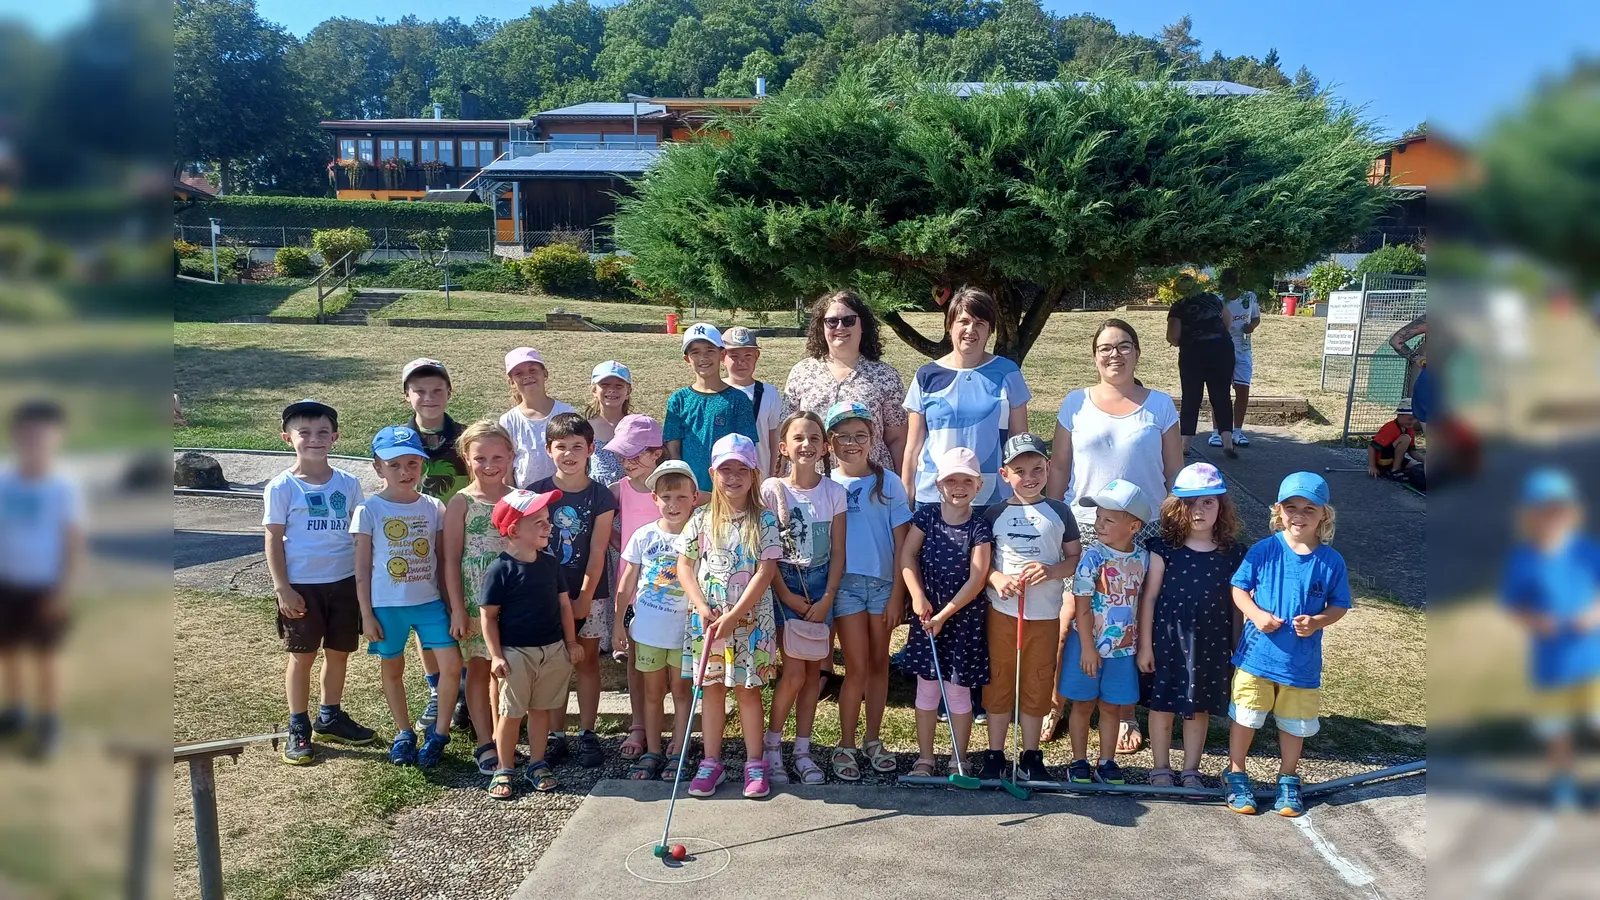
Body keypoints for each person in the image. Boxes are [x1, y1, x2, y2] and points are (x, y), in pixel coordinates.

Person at [1046, 319, 1183, 753]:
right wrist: (1054, 521)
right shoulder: (1075, 403)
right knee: (1068, 621)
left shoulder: (1160, 406)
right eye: (1105, 348)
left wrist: (1172, 525)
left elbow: (1175, 473)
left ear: (1138, 352)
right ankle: (1057, 703)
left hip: (1142, 532)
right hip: (1085, 527)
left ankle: (1124, 711)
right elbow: (1060, 469)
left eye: (1124, 346)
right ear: (1094, 356)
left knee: (1125, 625)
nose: (1114, 355)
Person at [1225, 472, 1351, 817]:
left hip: (1301, 663)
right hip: (1256, 657)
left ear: (1324, 514)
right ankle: (1236, 773)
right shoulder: (1263, 550)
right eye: (1291, 507)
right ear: (1278, 510)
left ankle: (1288, 778)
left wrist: (1318, 621)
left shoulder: (1331, 561)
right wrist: (1255, 613)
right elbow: (1239, 589)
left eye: (1309, 508)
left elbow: (1339, 604)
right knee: (1247, 716)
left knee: (1294, 723)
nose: (1299, 515)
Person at [262, 399, 374, 765]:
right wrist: (283, 587)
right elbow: (273, 539)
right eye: (304, 432)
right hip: (302, 587)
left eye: (323, 432)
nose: (314, 439)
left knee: (339, 652)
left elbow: (359, 535)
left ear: (335, 437)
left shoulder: (348, 483)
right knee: (302, 656)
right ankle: (299, 725)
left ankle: (330, 715)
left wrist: (363, 582)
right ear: (287, 438)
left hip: (343, 583)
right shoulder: (281, 487)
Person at [351, 426, 464, 768]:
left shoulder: (433, 507)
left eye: (413, 464)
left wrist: (451, 604)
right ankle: (404, 733)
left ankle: (439, 734)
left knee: (452, 666)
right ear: (378, 467)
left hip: (429, 602)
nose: (405, 472)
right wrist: (366, 614)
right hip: (387, 606)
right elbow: (361, 570)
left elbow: (444, 560)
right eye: (395, 464)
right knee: (393, 668)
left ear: (422, 466)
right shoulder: (368, 511)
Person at [678, 434, 782, 799]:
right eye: (726, 470)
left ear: (754, 474)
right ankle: (711, 761)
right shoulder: (701, 518)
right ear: (712, 473)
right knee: (713, 691)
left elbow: (765, 571)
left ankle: (755, 763)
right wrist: (703, 607)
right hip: (709, 624)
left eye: (742, 469)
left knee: (747, 690)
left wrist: (736, 615)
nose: (733, 477)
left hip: (749, 623)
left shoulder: (765, 520)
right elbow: (685, 566)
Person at [978, 433, 1081, 783]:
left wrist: (1051, 571)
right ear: (1005, 474)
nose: (1030, 477)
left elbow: (1073, 559)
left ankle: (1031, 754)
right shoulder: (994, 514)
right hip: (1003, 612)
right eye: (1020, 470)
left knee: (1037, 680)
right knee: (999, 677)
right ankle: (995, 753)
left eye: (1037, 468)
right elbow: (980, 564)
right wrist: (995, 579)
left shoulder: (1060, 512)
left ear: (1049, 468)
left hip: (1044, 614)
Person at [1135, 463, 1245, 790]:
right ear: (1176, 508)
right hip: (1166, 640)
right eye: (1191, 503)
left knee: (1198, 707)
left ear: (1221, 507)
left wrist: (1237, 648)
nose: (1199, 510)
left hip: (1210, 642)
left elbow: (1237, 607)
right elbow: (1149, 598)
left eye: (1208, 502)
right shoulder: (1162, 550)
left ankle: (1191, 770)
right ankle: (1160, 768)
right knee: (1162, 704)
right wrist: (1144, 646)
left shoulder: (1233, 554)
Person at [1500, 469, 1600, 810]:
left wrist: (1593, 613)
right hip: (1552, 661)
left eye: (1560, 508)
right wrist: (1537, 621)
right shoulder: (1524, 559)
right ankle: (1563, 782)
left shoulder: (1588, 551)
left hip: (1592, 656)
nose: (1553, 516)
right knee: (1558, 729)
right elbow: (1514, 604)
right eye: (1544, 509)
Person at [761, 412, 848, 786]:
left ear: (825, 447)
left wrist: (828, 597)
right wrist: (785, 595)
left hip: (821, 589)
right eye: (798, 438)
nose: (807, 445)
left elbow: (839, 552)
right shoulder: (771, 489)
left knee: (815, 675)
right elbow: (766, 551)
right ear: (783, 447)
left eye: (814, 438)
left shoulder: (834, 493)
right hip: (785, 587)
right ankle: (772, 746)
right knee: (794, 673)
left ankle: (803, 749)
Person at [826, 402, 911, 780]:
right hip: (844, 587)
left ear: (872, 438)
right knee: (857, 667)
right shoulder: (826, 484)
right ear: (830, 442)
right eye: (843, 437)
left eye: (860, 435)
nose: (852, 443)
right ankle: (845, 743)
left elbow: (902, 543)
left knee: (879, 665)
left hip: (882, 586)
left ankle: (872, 738)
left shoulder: (888, 482)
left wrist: (898, 595)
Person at [898, 447, 995, 779]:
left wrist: (945, 615)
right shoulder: (926, 516)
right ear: (939, 485)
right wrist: (917, 596)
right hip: (926, 616)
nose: (958, 486)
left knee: (958, 690)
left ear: (978, 485)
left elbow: (977, 578)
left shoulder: (979, 528)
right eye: (951, 480)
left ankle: (958, 758)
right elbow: (908, 557)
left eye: (966, 480)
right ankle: (925, 759)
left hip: (961, 620)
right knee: (926, 688)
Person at [529, 414, 618, 768]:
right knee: (553, 665)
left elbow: (597, 551)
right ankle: (555, 735)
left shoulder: (600, 496)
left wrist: (583, 596)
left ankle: (587, 732)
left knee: (588, 661)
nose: (569, 453)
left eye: (577, 447)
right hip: (545, 595)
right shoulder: (535, 493)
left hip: (590, 594)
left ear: (591, 450)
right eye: (561, 446)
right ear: (549, 449)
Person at [481, 489, 582, 798]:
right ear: (513, 530)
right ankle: (504, 767)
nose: (548, 526)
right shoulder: (500, 570)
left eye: (547, 520)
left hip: (552, 650)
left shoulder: (551, 565)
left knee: (541, 710)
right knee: (512, 713)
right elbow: (488, 617)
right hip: (515, 655)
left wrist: (571, 642)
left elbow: (564, 606)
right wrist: (496, 656)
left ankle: (537, 763)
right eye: (538, 522)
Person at [0, 400, 83, 758]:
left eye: (42, 435)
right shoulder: (4, 480)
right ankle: (15, 709)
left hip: (45, 584)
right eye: (27, 433)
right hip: (7, 583)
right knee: (8, 649)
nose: (34, 441)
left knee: (45, 655)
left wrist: (63, 589)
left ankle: (49, 719)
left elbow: (72, 539)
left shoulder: (61, 486)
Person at [1061, 479, 1155, 786]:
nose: (1099, 524)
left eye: (1109, 519)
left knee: (1112, 706)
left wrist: (1143, 647)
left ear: (1134, 526)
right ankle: (1078, 761)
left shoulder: (1144, 560)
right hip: (1086, 645)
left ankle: (1106, 761)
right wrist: (1088, 647)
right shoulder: (1092, 558)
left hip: (1123, 649)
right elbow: (1082, 605)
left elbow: (1142, 604)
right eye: (1098, 517)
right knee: (1083, 704)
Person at [902, 287, 1032, 510]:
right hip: (934, 496)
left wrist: (1024, 497)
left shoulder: (1008, 373)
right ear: (949, 325)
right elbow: (912, 448)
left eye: (980, 323)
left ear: (990, 330)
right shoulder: (926, 376)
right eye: (964, 321)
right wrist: (906, 500)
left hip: (992, 496)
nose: (971, 330)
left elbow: (1019, 442)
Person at [441, 420, 518, 775]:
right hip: (474, 597)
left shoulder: (519, 498)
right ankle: (485, 741)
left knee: (508, 668)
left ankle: (508, 736)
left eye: (497, 457)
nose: (489, 465)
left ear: (511, 456)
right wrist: (457, 607)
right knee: (478, 668)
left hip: (513, 596)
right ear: (466, 459)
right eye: (480, 458)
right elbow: (451, 558)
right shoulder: (461, 503)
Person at [614, 459, 698, 781]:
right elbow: (627, 582)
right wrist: (618, 623)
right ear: (655, 499)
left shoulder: (700, 534)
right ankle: (652, 750)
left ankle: (679, 749)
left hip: (684, 633)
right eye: (666, 497)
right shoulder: (643, 535)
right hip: (647, 631)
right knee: (651, 693)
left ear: (694, 498)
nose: (673, 504)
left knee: (680, 691)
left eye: (680, 497)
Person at [400, 358, 471, 736]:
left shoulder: (464, 436)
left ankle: (464, 688)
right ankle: (436, 688)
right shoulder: (396, 440)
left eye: (437, 390)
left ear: (449, 392)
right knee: (425, 618)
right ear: (407, 395)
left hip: (461, 539)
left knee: (463, 610)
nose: (429, 398)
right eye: (420, 391)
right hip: (414, 544)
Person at [782, 290, 908, 473]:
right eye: (832, 321)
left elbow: (897, 439)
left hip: (870, 486)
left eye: (848, 320)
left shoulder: (885, 376)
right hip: (813, 486)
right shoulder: (801, 372)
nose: (840, 327)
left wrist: (901, 487)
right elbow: (786, 432)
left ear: (862, 324)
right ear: (821, 326)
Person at [604, 414, 667, 761]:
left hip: (671, 589)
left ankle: (671, 724)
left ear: (656, 452)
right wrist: (618, 542)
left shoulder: (673, 487)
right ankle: (639, 725)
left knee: (671, 660)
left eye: (636, 454)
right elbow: (597, 520)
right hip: (631, 588)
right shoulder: (618, 490)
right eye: (623, 455)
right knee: (635, 658)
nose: (628, 462)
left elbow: (708, 502)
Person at [664, 324, 759, 493]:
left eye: (710, 350)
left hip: (728, 490)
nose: (703, 358)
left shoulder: (738, 399)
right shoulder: (678, 400)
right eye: (695, 352)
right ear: (687, 359)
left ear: (722, 354)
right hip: (689, 491)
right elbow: (673, 451)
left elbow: (746, 449)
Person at [1166, 274, 1238, 458]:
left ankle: (1185, 445)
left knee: (1191, 396)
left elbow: (1173, 336)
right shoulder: (1213, 299)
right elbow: (1228, 322)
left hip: (1193, 354)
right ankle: (1228, 443)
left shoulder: (1179, 306)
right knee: (1221, 394)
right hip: (1222, 351)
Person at [499, 347, 577, 489]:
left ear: (545, 374)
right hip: (525, 497)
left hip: (563, 494)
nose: (527, 376)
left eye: (533, 370)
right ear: (511, 382)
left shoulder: (566, 412)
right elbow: (507, 465)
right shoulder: (508, 421)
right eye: (518, 373)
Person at [723, 327, 783, 476]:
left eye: (748, 355)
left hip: (759, 478)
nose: (741, 362)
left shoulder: (769, 393)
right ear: (722, 357)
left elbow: (775, 440)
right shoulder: (714, 391)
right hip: (722, 479)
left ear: (757, 356)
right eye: (734, 356)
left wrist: (774, 475)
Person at [1212, 269, 1261, 448]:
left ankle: (1237, 432)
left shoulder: (1249, 297)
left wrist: (1251, 327)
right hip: (1221, 349)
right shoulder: (1217, 300)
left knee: (1242, 390)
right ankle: (1216, 433)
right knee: (1220, 391)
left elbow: (1256, 318)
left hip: (1243, 350)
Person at [585, 360, 633, 488]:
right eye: (605, 385)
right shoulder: (585, 428)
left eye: (618, 386)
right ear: (594, 390)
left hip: (630, 494)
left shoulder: (636, 426)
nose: (611, 390)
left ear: (628, 392)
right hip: (597, 496)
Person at [1369, 400, 1425, 490]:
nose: (1413, 422)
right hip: (1382, 460)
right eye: (1410, 419)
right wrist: (1372, 466)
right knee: (1405, 438)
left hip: (1393, 459)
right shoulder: (1390, 428)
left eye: (1415, 419)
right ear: (1400, 415)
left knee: (1415, 466)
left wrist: (1425, 461)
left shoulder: (1410, 430)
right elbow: (1372, 446)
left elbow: (1412, 452)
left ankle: (1394, 469)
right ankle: (1395, 470)